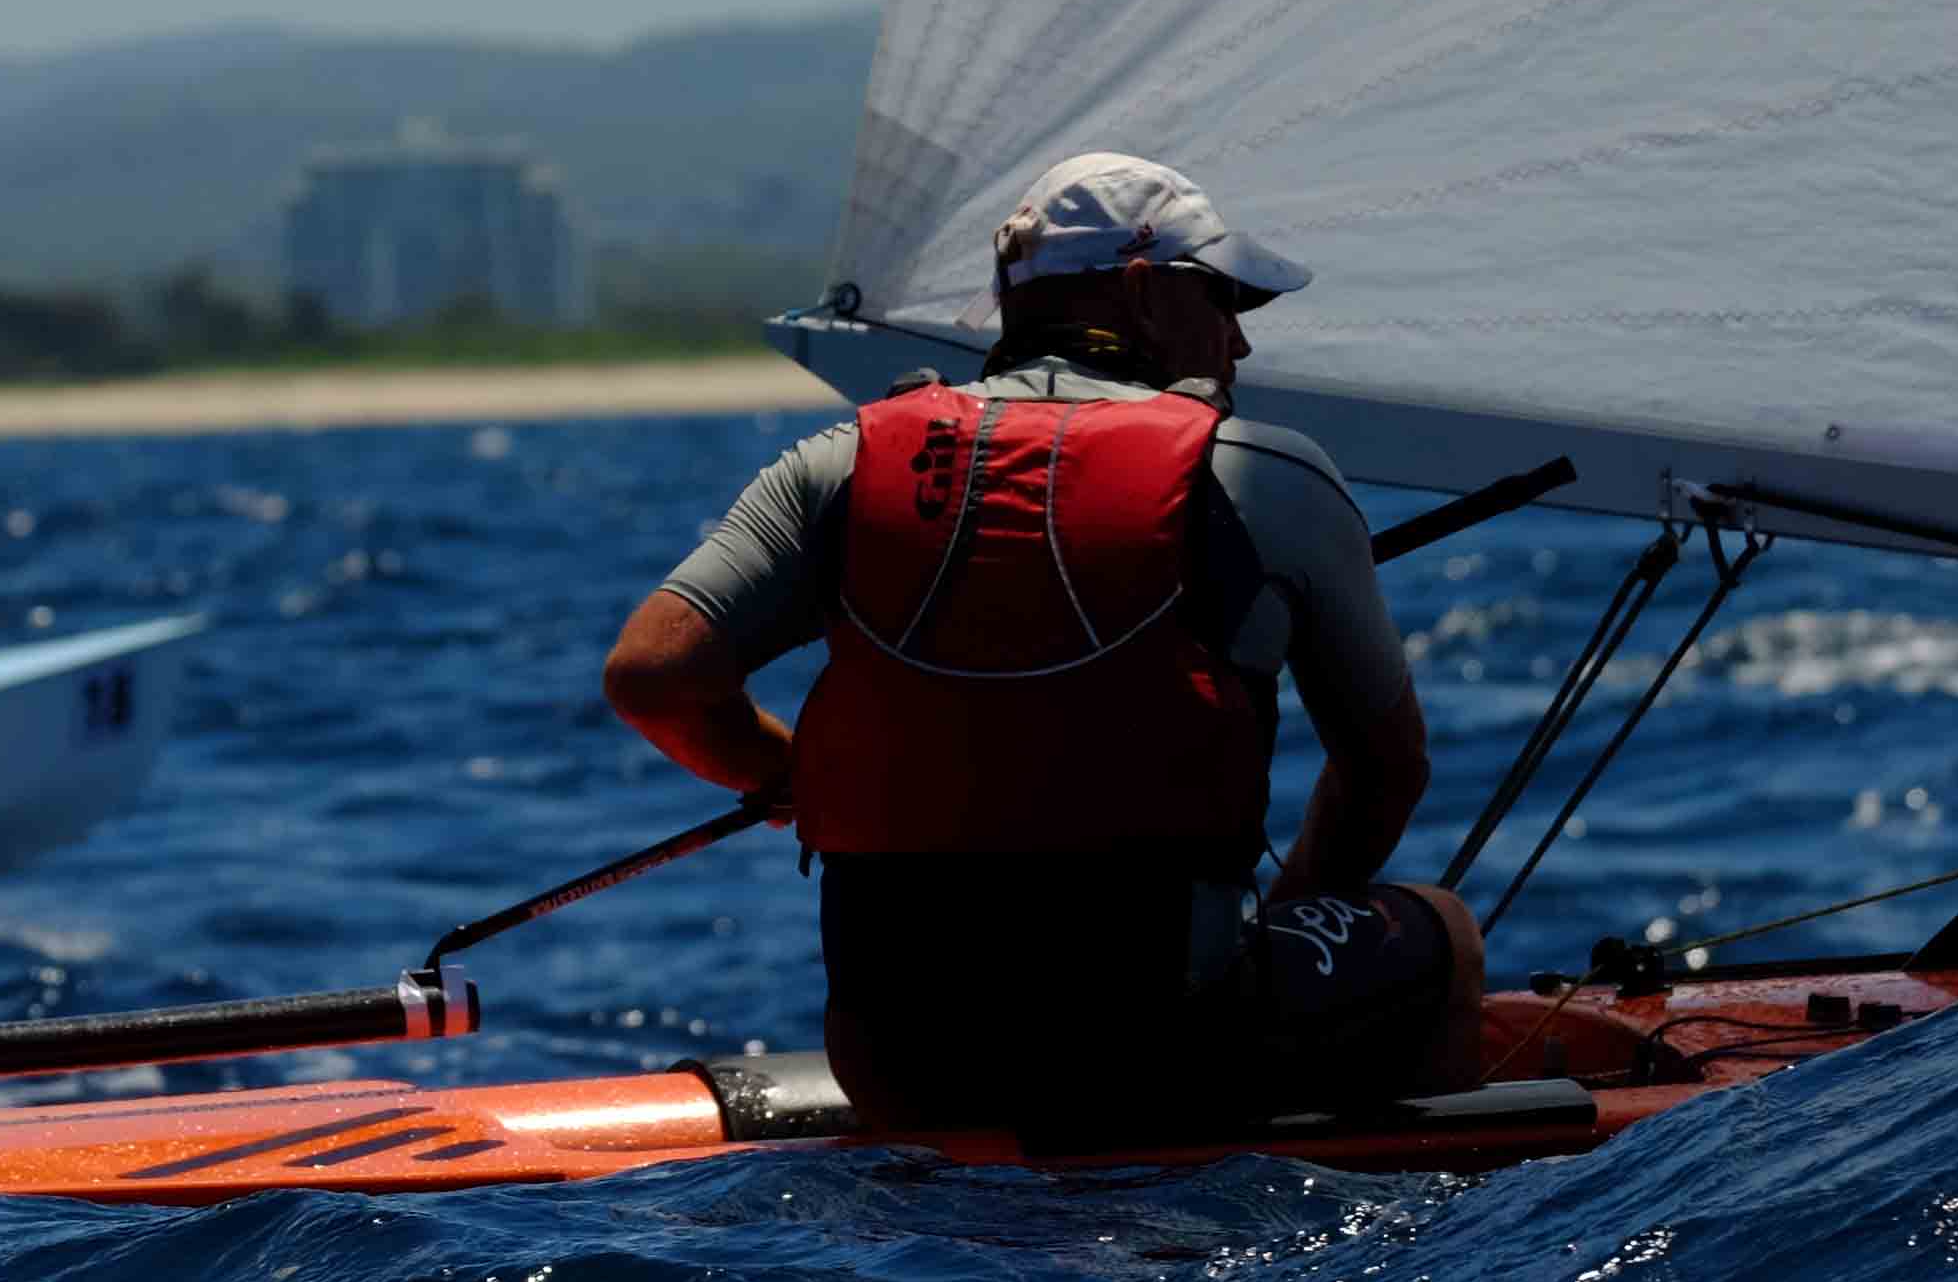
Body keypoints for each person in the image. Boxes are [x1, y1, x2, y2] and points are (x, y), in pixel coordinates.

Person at [601, 151, 1481, 1136]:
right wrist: (1287, 913)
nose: (1235, 341)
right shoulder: (1268, 475)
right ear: (1145, 292)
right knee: (1444, 928)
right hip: (1161, 1049)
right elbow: (1386, 770)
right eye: (1223, 300)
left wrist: (791, 776)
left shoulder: (844, 461)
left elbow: (653, 676)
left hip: (901, 1062)